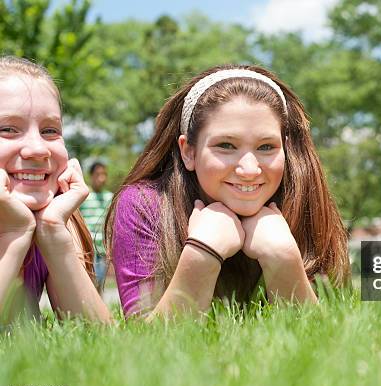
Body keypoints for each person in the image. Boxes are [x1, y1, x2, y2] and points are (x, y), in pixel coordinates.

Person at [105, 65, 350, 317]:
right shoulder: (145, 205)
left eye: (266, 147)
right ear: (188, 151)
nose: (249, 169)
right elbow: (144, 346)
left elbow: (331, 345)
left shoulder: (305, 203)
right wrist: (203, 254)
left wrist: (282, 258)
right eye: (226, 145)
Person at [0, 56, 111, 322]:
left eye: (50, 130)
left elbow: (95, 339)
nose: (38, 149)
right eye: (7, 129)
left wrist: (52, 232)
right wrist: (14, 237)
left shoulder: (54, 217)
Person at [80, 161, 113, 286]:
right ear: (91, 176)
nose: (102, 178)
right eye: (98, 174)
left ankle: (99, 303)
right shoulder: (84, 196)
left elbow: (110, 223)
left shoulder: (109, 197)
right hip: (87, 246)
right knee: (88, 279)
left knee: (100, 279)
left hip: (102, 247)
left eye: (104, 174)